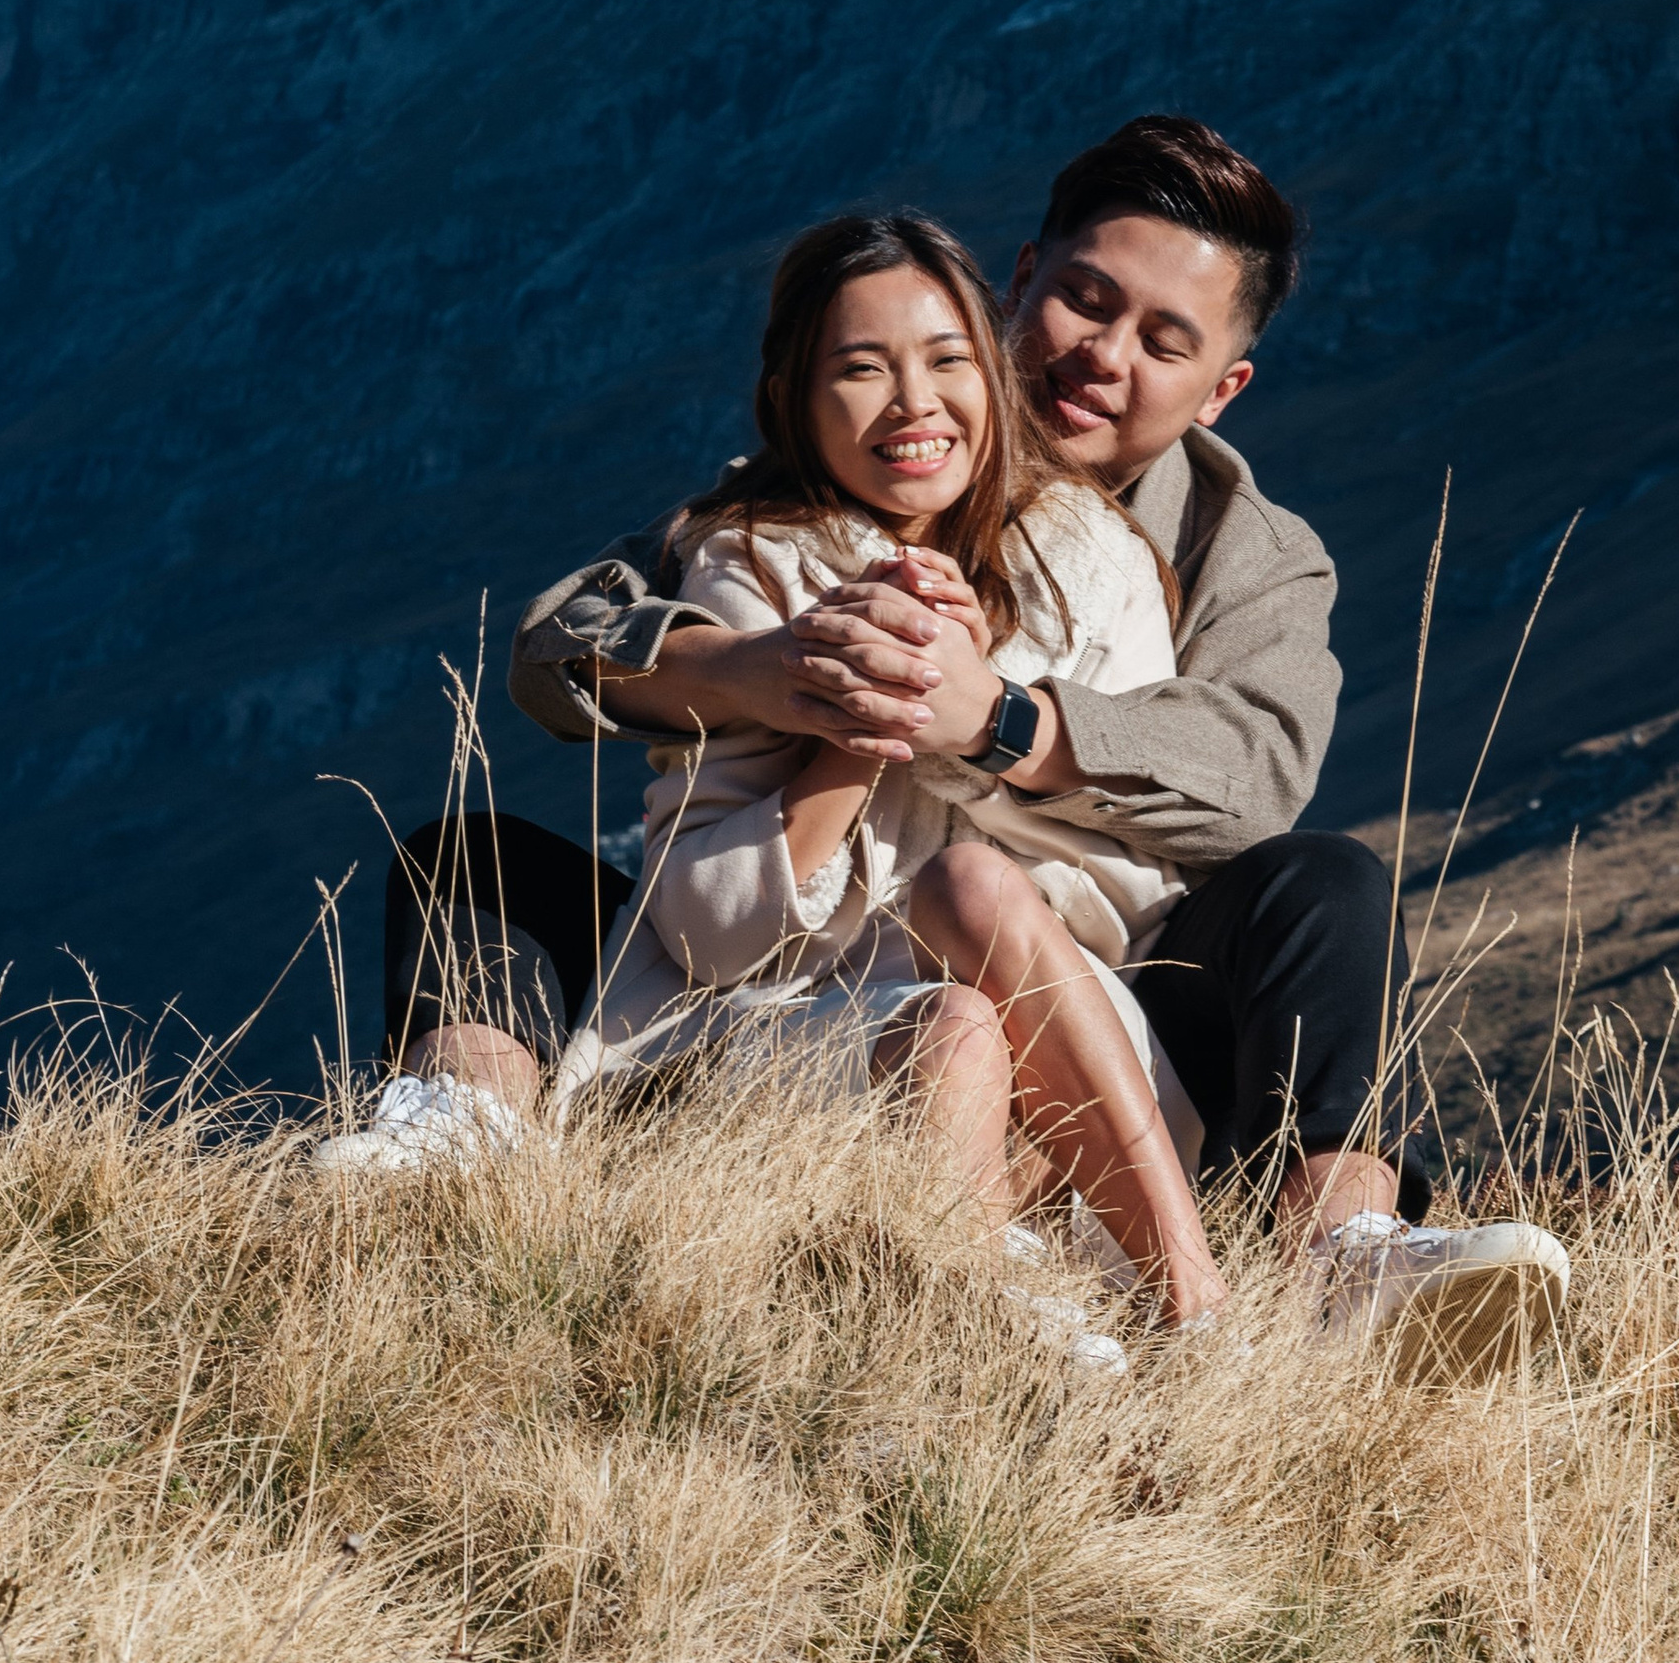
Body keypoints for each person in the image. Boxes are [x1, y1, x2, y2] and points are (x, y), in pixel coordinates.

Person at [326, 117, 1566, 1365]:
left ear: (1221, 386)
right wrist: (771, 672)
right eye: (1083, 301)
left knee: (1323, 886)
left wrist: (990, 726)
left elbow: (1250, 783)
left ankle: (1336, 1245)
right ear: (1017, 282)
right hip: (792, 978)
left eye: (1163, 342)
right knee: (472, 860)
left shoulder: (1233, 553)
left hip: (1099, 989)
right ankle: (460, 1130)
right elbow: (561, 646)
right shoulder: (828, 489)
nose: (1101, 357)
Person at [538, 208, 1231, 1332]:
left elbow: (1138, 886)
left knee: (970, 905)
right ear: (796, 402)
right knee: (949, 1029)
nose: (915, 404)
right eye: (861, 370)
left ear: (992, 372)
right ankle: (997, 1331)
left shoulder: (1092, 563)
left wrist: (970, 721)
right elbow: (708, 941)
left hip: (1067, 1034)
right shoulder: (753, 569)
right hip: (791, 1039)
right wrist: (849, 727)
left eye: (948, 359)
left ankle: (1184, 1307)